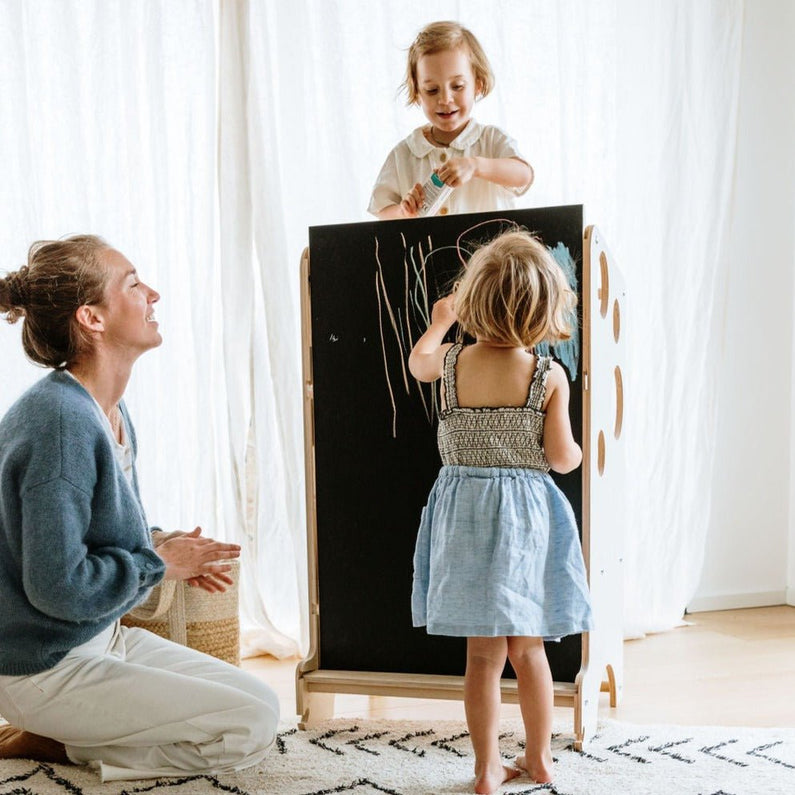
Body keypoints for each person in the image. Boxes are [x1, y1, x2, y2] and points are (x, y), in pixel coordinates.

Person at [0, 235, 279, 781]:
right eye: (132, 283)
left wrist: (169, 548)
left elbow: (92, 529)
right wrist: (160, 563)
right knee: (246, 725)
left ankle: (72, 736)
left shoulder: (104, 407)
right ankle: (56, 744)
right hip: (46, 665)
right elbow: (57, 585)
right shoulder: (60, 423)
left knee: (259, 702)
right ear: (92, 319)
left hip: (103, 639)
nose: (152, 293)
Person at [408, 229, 593, 793]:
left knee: (483, 657)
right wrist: (581, 448)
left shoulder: (451, 362)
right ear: (543, 311)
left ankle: (486, 768)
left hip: (464, 516)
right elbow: (562, 460)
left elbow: (418, 363)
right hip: (525, 524)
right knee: (529, 649)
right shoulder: (547, 375)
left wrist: (441, 320)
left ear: (473, 302)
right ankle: (539, 759)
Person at [368, 20, 534, 220]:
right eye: (432, 90)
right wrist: (404, 212)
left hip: (489, 251)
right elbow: (381, 210)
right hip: (428, 251)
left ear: (478, 85)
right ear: (418, 92)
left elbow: (524, 176)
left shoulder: (491, 140)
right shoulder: (405, 153)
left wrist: (476, 166)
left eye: (457, 86)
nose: (445, 99)